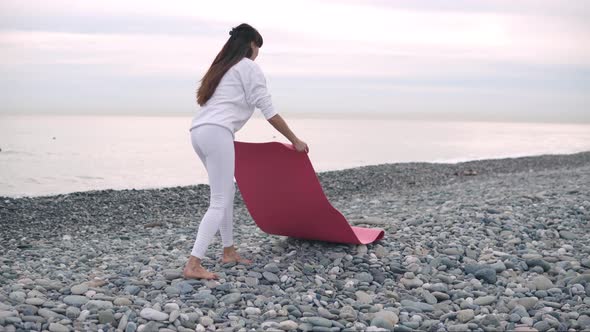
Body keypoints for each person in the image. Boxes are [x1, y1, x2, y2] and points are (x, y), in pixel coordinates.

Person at [184, 23, 309, 280]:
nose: (258, 52)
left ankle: (228, 251)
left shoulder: (221, 68)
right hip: (217, 132)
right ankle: (193, 264)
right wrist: (295, 140)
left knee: (225, 192)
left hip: (199, 132)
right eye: (258, 47)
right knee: (218, 201)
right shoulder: (248, 67)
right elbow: (269, 111)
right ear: (251, 44)